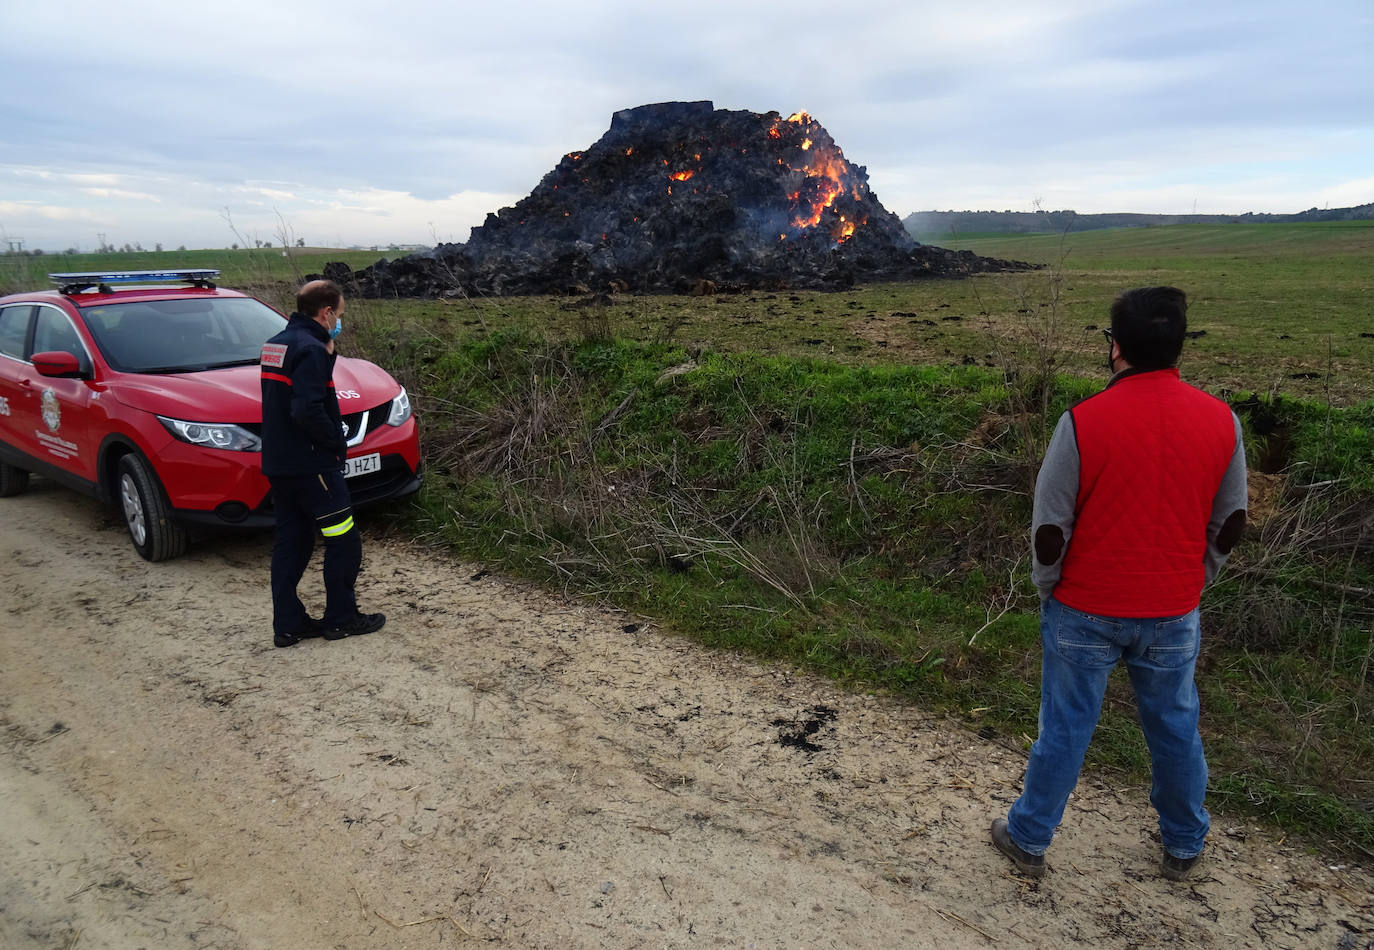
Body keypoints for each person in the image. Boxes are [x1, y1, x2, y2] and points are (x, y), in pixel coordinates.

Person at [990, 286, 1247, 881]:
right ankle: (1184, 846)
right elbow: (1230, 522)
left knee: (1066, 727)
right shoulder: (1221, 421)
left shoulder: (1082, 421)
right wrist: (1196, 579)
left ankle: (1029, 838)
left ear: (1116, 348)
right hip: (1173, 612)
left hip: (1084, 607)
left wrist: (1048, 586)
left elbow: (1050, 525)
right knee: (1175, 727)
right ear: (1179, 347)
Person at [260, 279, 385, 648]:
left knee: (292, 543)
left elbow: (285, 399)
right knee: (344, 542)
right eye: (339, 315)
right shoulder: (310, 349)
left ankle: (288, 624)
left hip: (280, 463)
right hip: (313, 465)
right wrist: (336, 441)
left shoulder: (276, 344)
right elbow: (306, 408)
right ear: (326, 311)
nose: (340, 323)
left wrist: (327, 352)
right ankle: (341, 618)